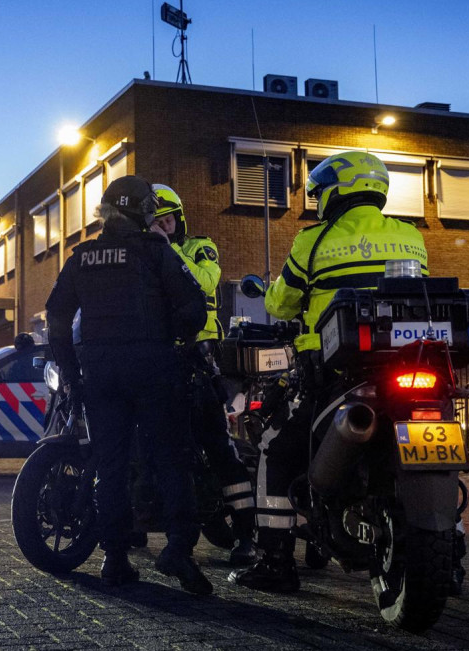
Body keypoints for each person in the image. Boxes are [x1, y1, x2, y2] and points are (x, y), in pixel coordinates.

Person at [229, 150, 430, 592]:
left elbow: (280, 303)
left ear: (337, 192)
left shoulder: (314, 240)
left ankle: (275, 562)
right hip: (406, 362)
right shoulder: (409, 234)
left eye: (320, 194)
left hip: (335, 370)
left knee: (276, 449)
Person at [45, 176, 214, 596]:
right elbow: (194, 310)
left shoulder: (81, 256)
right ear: (142, 211)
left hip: (99, 373)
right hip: (154, 368)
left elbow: (56, 315)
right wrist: (168, 335)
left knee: (111, 466)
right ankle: (178, 549)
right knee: (172, 460)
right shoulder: (155, 251)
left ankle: (115, 559)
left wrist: (71, 370)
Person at [150, 184, 257, 565]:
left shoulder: (198, 247)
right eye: (154, 222)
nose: (161, 227)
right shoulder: (147, 254)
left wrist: (166, 246)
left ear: (177, 219)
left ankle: (247, 535)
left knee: (218, 444)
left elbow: (205, 282)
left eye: (166, 220)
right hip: (160, 357)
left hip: (202, 356)